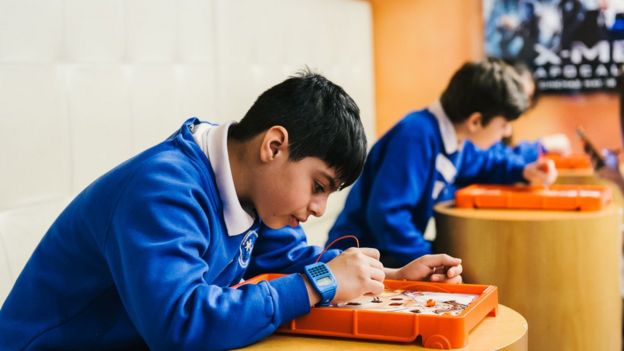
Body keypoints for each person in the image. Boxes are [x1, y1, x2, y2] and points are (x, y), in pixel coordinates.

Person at [0, 70, 463, 350]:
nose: (319, 210)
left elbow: (297, 263)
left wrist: (396, 275)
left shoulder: (255, 196)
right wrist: (320, 282)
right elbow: (180, 323)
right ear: (275, 145)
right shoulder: (163, 189)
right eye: (318, 187)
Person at [326, 59, 558, 268]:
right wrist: (429, 258)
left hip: (389, 253)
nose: (506, 131)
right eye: (504, 124)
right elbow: (388, 215)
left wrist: (524, 171)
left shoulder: (457, 140)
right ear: (476, 121)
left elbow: (486, 163)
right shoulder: (416, 136)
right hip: (359, 259)